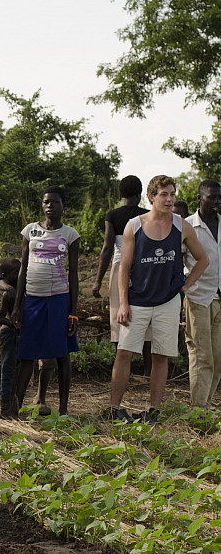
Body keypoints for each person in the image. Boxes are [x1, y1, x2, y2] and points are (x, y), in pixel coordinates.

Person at [108, 175, 208, 423]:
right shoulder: (135, 225)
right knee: (124, 353)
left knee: (161, 355)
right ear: (151, 197)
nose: (170, 199)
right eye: (164, 194)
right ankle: (113, 408)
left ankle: (153, 410)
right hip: (138, 300)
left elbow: (202, 259)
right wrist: (123, 302)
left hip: (168, 301)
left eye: (172, 194)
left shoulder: (181, 225)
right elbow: (125, 266)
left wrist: (185, 284)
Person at [12, 187, 80, 417]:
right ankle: (16, 407)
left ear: (63, 205)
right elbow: (23, 268)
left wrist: (73, 311)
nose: (50, 206)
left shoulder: (71, 235)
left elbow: (74, 274)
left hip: (59, 299)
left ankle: (63, 409)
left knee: (62, 353)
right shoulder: (30, 231)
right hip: (32, 298)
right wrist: (17, 306)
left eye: (55, 202)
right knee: (27, 353)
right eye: (46, 202)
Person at [92, 176, 152, 374]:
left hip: (119, 269)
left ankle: (120, 370)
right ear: (139, 193)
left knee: (119, 317)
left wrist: (98, 281)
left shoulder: (113, 215)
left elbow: (108, 247)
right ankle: (147, 371)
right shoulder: (147, 215)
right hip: (143, 269)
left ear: (121, 194)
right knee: (145, 319)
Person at [183, 180, 221, 408]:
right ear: (200, 198)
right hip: (198, 297)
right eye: (211, 197)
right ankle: (198, 411)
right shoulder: (188, 226)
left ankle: (206, 403)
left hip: (219, 298)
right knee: (202, 356)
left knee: (217, 359)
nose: (216, 201)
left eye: (219, 197)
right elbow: (177, 260)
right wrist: (184, 285)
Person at [0, 259, 21, 418]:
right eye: (15, 272)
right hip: (9, 334)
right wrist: (13, 325)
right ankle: (4, 406)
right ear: (6, 276)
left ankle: (11, 404)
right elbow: (0, 317)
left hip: (17, 334)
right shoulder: (9, 293)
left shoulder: (20, 287)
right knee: (8, 370)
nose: (19, 274)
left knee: (16, 370)